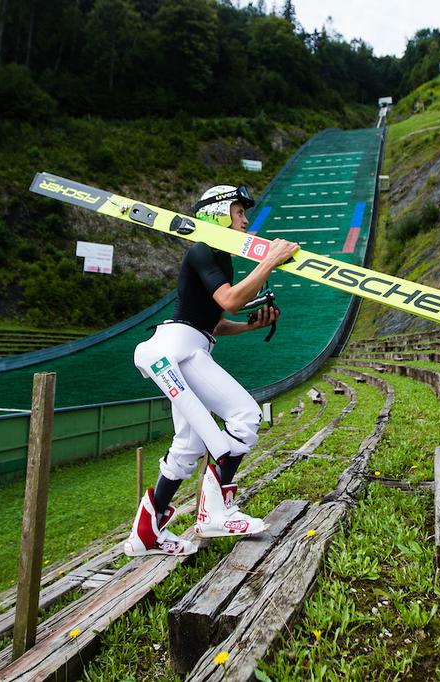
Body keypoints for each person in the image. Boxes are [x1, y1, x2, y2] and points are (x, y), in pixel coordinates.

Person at [124, 184, 299, 556]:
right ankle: (215, 513)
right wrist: (271, 259)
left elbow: (214, 322)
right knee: (245, 416)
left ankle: (145, 534)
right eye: (239, 211)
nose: (246, 219)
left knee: (186, 447)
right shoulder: (202, 250)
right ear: (219, 212)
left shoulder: (221, 259)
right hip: (180, 349)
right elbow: (231, 301)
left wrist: (252, 326)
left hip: (188, 343)